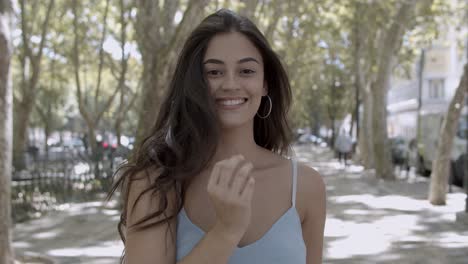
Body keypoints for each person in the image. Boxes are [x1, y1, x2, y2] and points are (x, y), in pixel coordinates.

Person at [108, 9, 326, 264]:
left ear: (265, 83)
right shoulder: (155, 182)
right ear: (193, 83)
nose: (231, 84)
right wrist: (226, 231)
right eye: (214, 72)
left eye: (246, 71)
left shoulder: (307, 187)